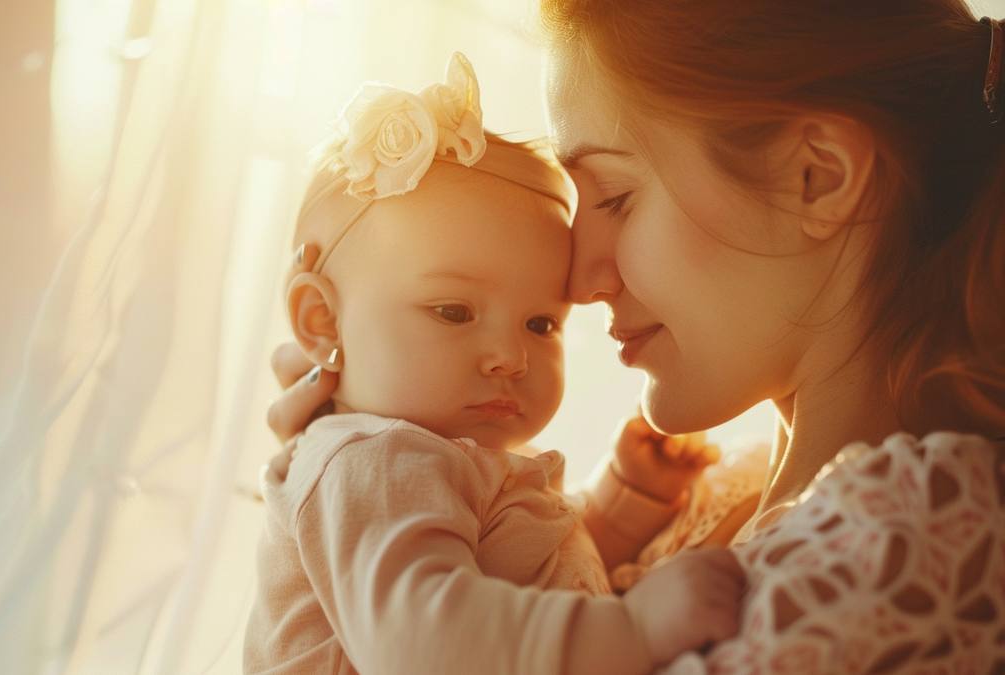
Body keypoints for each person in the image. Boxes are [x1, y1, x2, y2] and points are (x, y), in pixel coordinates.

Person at [269, 3, 1005, 672]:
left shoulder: (907, 554)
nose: (576, 278)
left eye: (617, 197)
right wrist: (381, 467)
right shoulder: (719, 495)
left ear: (816, 177)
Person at [245, 53, 746, 675]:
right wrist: (636, 628)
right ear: (322, 322)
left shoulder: (444, 465)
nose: (511, 357)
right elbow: (430, 644)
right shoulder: (373, 462)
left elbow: (533, 583)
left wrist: (628, 498)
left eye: (541, 324)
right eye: (454, 311)